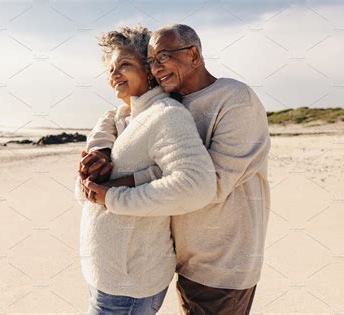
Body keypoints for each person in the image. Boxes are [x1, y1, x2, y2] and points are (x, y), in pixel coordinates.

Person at [80, 24, 271, 314]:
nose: (157, 68)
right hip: (186, 257)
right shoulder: (175, 100)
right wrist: (101, 148)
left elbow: (211, 183)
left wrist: (122, 185)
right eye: (152, 60)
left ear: (193, 54)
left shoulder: (234, 99)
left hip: (223, 262)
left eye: (163, 57)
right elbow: (123, 113)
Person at [75, 26, 217, 315]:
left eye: (125, 65)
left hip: (129, 288)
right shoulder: (123, 119)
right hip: (106, 280)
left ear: (150, 70)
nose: (114, 74)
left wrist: (112, 197)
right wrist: (89, 178)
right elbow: (87, 197)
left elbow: (197, 185)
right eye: (111, 68)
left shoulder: (166, 115)